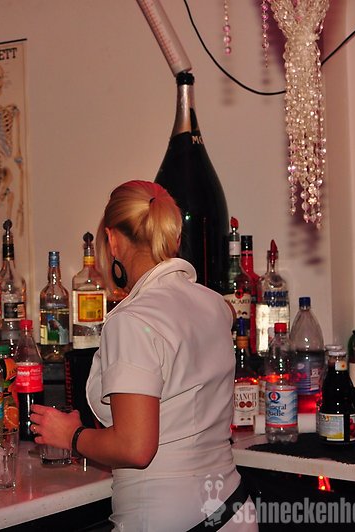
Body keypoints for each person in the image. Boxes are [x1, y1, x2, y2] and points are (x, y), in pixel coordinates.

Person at [30, 180, 256, 531]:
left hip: (166, 518)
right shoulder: (215, 305)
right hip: (232, 509)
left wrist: (72, 435)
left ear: (113, 240)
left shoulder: (133, 320)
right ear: (173, 238)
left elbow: (135, 447)